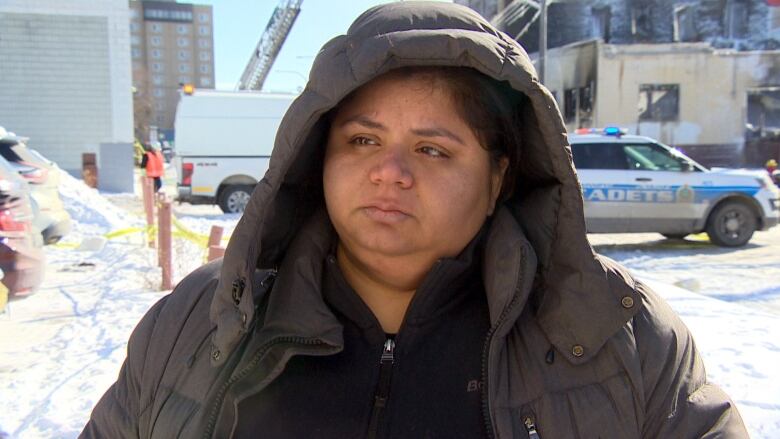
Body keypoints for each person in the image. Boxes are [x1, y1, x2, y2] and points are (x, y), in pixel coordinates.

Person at [82, 3, 747, 437]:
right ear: (317, 155)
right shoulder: (197, 323)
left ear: (499, 177)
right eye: (362, 140)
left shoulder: (619, 337)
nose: (390, 173)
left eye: (433, 149)